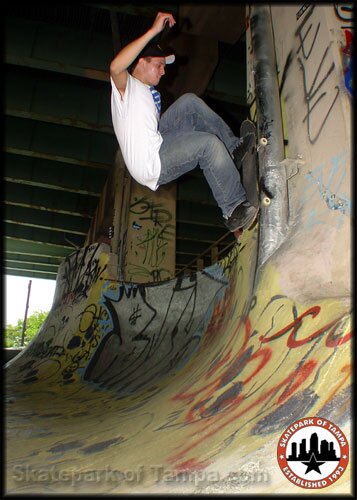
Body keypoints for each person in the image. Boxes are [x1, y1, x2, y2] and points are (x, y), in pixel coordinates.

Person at [110, 11, 258, 232]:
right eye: (159, 65)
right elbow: (115, 67)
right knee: (207, 145)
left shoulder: (146, 93)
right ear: (141, 62)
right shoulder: (126, 88)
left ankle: (233, 148)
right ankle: (233, 208)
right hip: (150, 163)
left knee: (189, 102)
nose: (163, 71)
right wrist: (152, 31)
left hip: (157, 140)